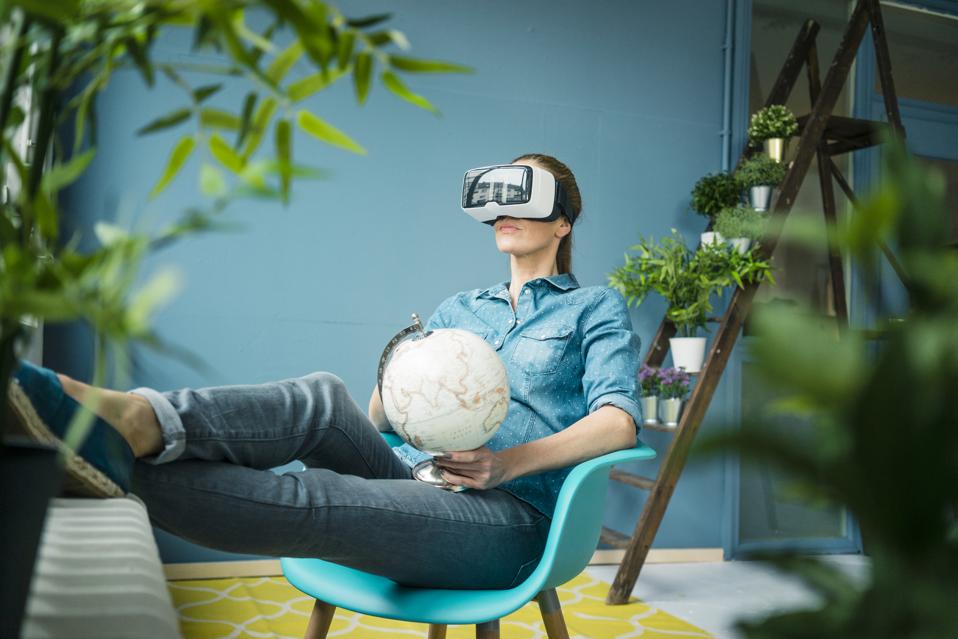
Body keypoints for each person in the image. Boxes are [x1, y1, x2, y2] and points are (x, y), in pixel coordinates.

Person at [7, 153, 642, 590]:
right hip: (427, 480)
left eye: (524, 194)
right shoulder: (459, 310)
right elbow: (380, 421)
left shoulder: (594, 308)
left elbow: (618, 423)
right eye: (498, 193)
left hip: (510, 522)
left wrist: (509, 461)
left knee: (324, 496)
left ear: (562, 220)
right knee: (322, 399)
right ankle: (130, 420)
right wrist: (405, 381)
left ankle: (90, 449)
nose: (504, 207)